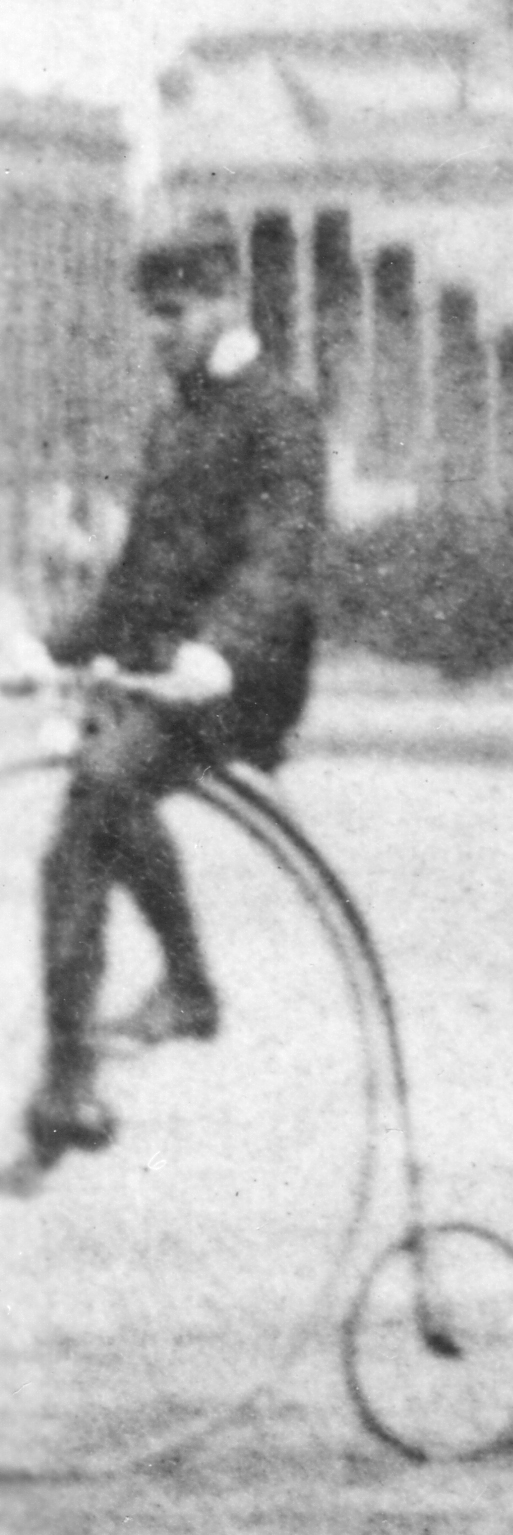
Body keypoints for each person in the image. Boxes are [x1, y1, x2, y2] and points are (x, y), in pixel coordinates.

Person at [14, 218, 327, 1182]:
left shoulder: (279, 413)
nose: (157, 332)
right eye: (149, 315)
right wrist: (48, 649)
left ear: (228, 301)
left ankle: (179, 990)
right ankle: (72, 1078)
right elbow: (137, 583)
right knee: (79, 836)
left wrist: (220, 651)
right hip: (167, 673)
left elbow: (280, 559)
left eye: (174, 312)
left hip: (246, 678)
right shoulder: (175, 420)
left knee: (107, 780)